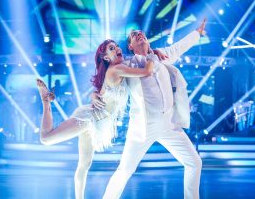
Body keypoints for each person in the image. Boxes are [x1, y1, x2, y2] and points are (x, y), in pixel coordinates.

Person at [36, 39, 155, 199]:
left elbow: (101, 91)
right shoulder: (116, 69)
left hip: (97, 123)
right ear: (106, 57)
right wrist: (151, 55)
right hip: (89, 118)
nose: (117, 49)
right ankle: (45, 101)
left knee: (84, 165)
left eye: (117, 46)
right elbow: (147, 71)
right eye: (112, 48)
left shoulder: (120, 67)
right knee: (46, 139)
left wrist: (94, 95)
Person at [102, 19, 207, 199]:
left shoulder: (161, 56)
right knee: (124, 170)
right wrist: (95, 95)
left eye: (140, 33)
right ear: (131, 46)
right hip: (143, 127)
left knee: (194, 163)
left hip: (168, 124)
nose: (139, 35)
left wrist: (197, 33)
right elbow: (107, 83)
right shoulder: (127, 65)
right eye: (134, 36)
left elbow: (179, 47)